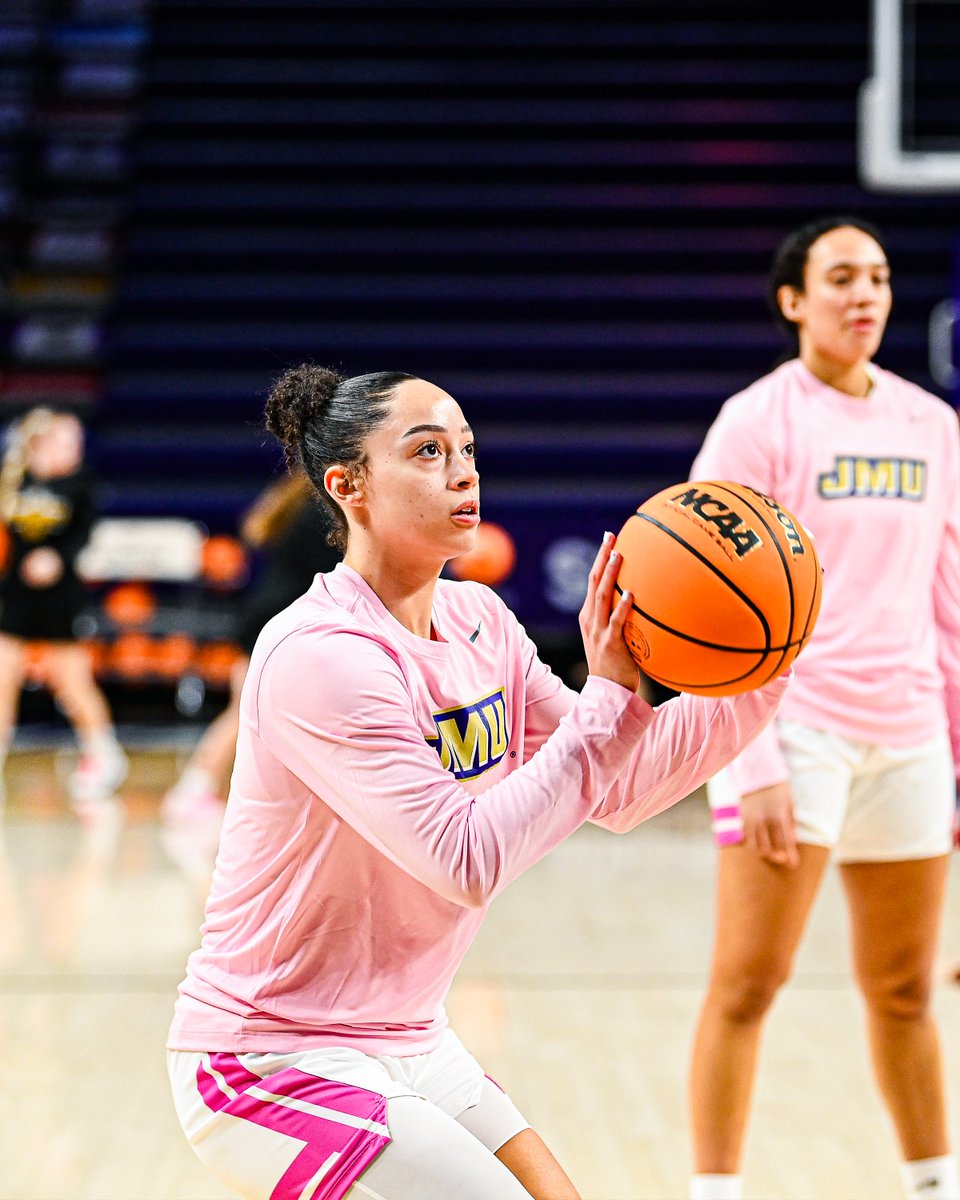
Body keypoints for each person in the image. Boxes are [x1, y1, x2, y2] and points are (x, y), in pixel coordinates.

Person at [166, 363, 790, 1200]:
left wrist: (766, 675)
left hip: (412, 1038)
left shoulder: (480, 620)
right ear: (348, 486)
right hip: (266, 1055)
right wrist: (608, 695)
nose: (463, 472)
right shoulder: (322, 656)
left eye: (467, 449)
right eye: (427, 452)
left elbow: (619, 789)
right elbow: (464, 860)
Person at [686, 216, 960, 1200]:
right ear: (794, 300)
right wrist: (748, 761)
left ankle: (935, 1184)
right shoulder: (756, 423)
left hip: (912, 735)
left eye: (879, 278)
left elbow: (950, 601)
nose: (865, 295)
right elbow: (699, 606)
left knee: (903, 989)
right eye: (841, 277)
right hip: (790, 731)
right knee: (750, 983)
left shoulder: (933, 425)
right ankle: (715, 1192)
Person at [160, 467, 340, 823]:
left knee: (274, 713)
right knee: (245, 712)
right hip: (274, 623)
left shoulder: (301, 503)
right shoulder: (320, 514)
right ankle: (193, 788)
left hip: (275, 621)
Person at [0, 407, 127, 811]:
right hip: (17, 596)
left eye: (76, 443)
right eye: (64, 441)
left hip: (61, 599)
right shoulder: (15, 480)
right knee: (2, 677)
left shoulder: (82, 484)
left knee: (71, 682)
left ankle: (105, 754)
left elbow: (83, 535)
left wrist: (56, 558)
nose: (72, 450)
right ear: (41, 443)